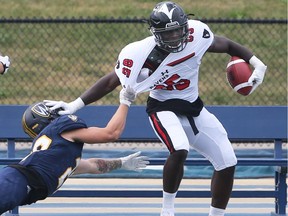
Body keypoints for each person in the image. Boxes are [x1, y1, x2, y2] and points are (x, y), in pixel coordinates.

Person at [44, 2, 267, 216]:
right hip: (162, 107)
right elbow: (111, 81)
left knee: (228, 161)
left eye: (178, 31)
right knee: (179, 148)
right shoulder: (139, 53)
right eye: (167, 33)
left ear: (185, 27)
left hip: (194, 107)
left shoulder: (197, 34)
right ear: (154, 33)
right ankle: (167, 210)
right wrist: (75, 104)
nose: (174, 37)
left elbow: (227, 45)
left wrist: (256, 62)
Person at [0, 87, 150, 214]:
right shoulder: (62, 131)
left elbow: (92, 166)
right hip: (17, 182)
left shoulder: (57, 155)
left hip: (18, 184)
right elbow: (111, 133)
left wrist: (121, 163)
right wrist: (125, 102)